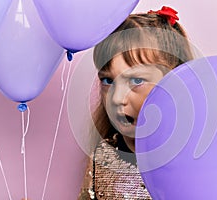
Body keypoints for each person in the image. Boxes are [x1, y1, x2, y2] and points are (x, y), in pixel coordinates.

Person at [78, 6, 196, 200]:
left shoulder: (198, 158)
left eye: (137, 81)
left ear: (176, 84)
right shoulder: (104, 155)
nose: (116, 98)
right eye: (108, 81)